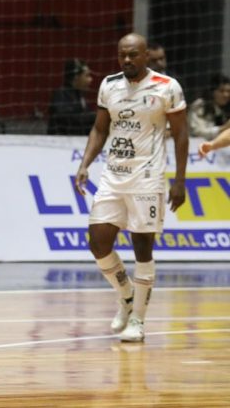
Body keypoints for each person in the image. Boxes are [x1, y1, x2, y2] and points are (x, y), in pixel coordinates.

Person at [75, 33, 188, 343]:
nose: (127, 60)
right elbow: (100, 128)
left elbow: (180, 135)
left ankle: (138, 318)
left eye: (133, 55)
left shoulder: (167, 87)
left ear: (145, 56)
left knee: (142, 248)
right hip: (113, 176)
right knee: (98, 242)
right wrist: (85, 164)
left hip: (147, 178)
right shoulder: (109, 85)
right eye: (122, 54)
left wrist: (180, 180)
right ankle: (125, 294)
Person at [47, 58, 96, 135]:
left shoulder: (79, 96)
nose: (90, 79)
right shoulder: (61, 94)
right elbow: (65, 118)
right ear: (76, 77)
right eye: (87, 75)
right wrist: (95, 116)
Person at [187, 74, 230, 140]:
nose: (226, 95)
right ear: (212, 92)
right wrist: (223, 128)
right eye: (221, 91)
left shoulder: (225, 108)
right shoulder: (200, 105)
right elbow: (196, 132)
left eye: (228, 91)